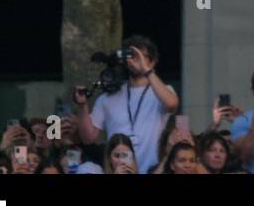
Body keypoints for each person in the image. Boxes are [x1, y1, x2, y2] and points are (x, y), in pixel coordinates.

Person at [75, 34, 178, 174]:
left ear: (152, 62)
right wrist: (82, 106)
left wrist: (146, 70)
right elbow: (88, 138)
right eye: (131, 55)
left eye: (140, 56)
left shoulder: (162, 91)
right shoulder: (108, 96)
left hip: (154, 170)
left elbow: (172, 104)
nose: (134, 60)